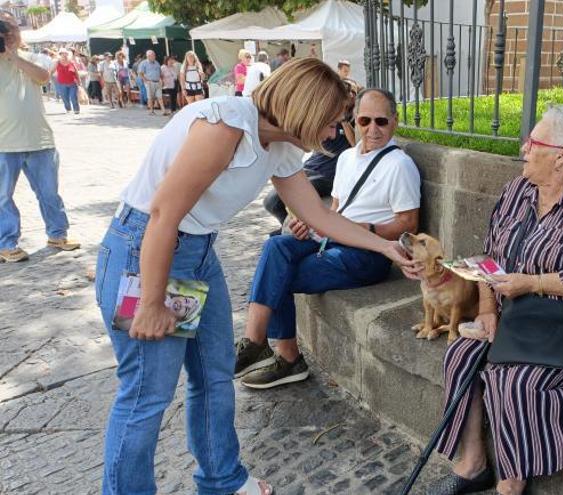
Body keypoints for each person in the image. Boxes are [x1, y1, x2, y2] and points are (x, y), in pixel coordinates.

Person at [93, 58, 413, 495]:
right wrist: (151, 302)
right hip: (146, 251)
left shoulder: (280, 147)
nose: (337, 132)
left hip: (197, 252)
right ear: (306, 109)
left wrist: (384, 246)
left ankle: (222, 481)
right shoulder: (226, 126)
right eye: (333, 120)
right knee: (147, 396)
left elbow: (317, 213)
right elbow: (163, 214)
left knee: (214, 373)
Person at [422, 106, 563, 495]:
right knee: (460, 355)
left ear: (561, 155)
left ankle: (512, 482)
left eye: (534, 142)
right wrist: (489, 309)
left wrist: (532, 283)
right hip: (513, 314)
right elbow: (489, 257)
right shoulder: (517, 191)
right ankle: (473, 464)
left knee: (511, 378)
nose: (524, 147)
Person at [235, 88, 421, 389]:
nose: (372, 129)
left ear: (395, 122)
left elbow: (407, 224)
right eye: (364, 121)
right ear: (354, 121)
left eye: (381, 122)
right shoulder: (346, 157)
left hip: (366, 255)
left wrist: (361, 228)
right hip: (332, 239)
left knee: (278, 272)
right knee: (276, 245)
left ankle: (286, 357)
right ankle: (261, 344)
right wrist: (307, 224)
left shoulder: (399, 165)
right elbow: (334, 209)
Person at [0, 13, 79, 263]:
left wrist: (12, 54)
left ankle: (58, 234)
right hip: (3, 142)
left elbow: (44, 77)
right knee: (2, 198)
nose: (9, 31)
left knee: (49, 193)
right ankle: (6, 243)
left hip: (39, 139)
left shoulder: (33, 56)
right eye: (3, 27)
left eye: (11, 26)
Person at [262, 81, 357, 230]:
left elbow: (355, 145)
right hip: (309, 167)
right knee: (269, 203)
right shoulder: (324, 116)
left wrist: (343, 120)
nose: (332, 134)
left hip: (326, 175)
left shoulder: (354, 120)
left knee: (275, 201)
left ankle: (292, 230)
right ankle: (290, 228)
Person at [50, 48, 80, 114]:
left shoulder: (71, 62)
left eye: (66, 54)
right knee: (64, 98)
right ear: (60, 55)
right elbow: (52, 71)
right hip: (61, 83)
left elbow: (76, 72)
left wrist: (79, 81)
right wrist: (48, 76)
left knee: (73, 96)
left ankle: (76, 109)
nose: (64, 55)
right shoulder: (57, 62)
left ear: (68, 55)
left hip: (72, 83)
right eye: (62, 54)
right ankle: (68, 108)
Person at [138, 50, 164, 115]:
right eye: (153, 55)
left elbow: (160, 72)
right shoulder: (143, 63)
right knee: (150, 97)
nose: (154, 56)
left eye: (154, 55)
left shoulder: (157, 63)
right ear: (148, 56)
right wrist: (146, 81)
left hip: (157, 82)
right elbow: (140, 73)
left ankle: (163, 110)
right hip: (150, 82)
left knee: (160, 96)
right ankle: (151, 110)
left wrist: (161, 79)